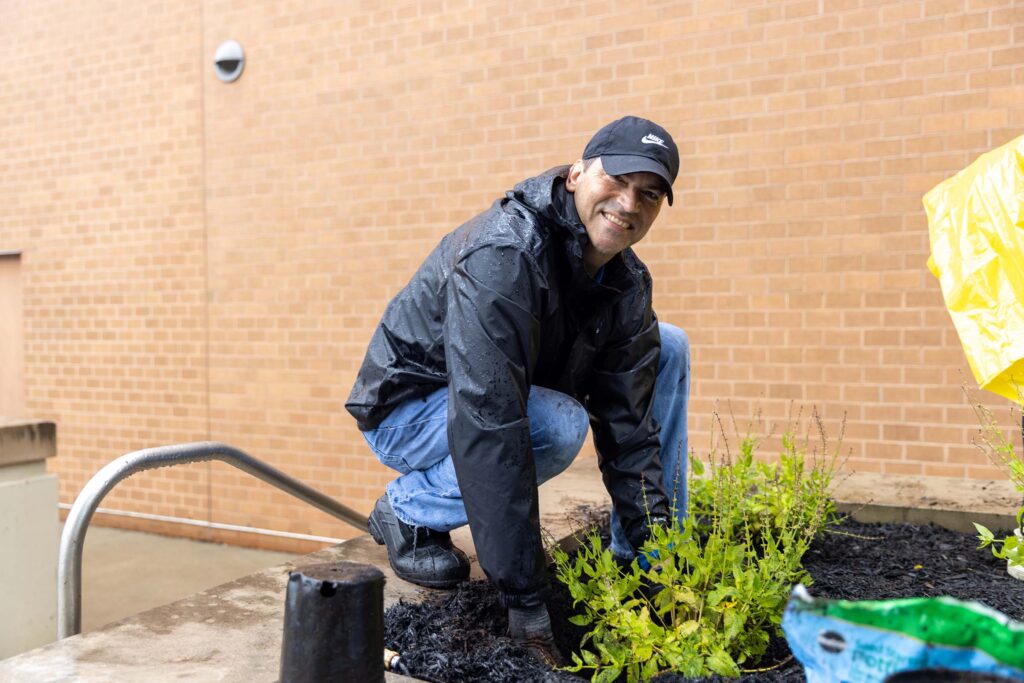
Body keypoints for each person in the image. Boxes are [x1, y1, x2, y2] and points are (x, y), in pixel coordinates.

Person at [346, 116, 690, 664]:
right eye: (617, 181)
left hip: (507, 393)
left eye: (648, 195)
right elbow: (491, 418)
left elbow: (630, 430)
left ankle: (646, 561)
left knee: (666, 344)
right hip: (411, 408)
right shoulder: (505, 253)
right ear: (576, 174)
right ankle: (406, 509)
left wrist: (666, 572)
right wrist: (526, 599)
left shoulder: (626, 282)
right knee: (555, 425)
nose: (628, 204)